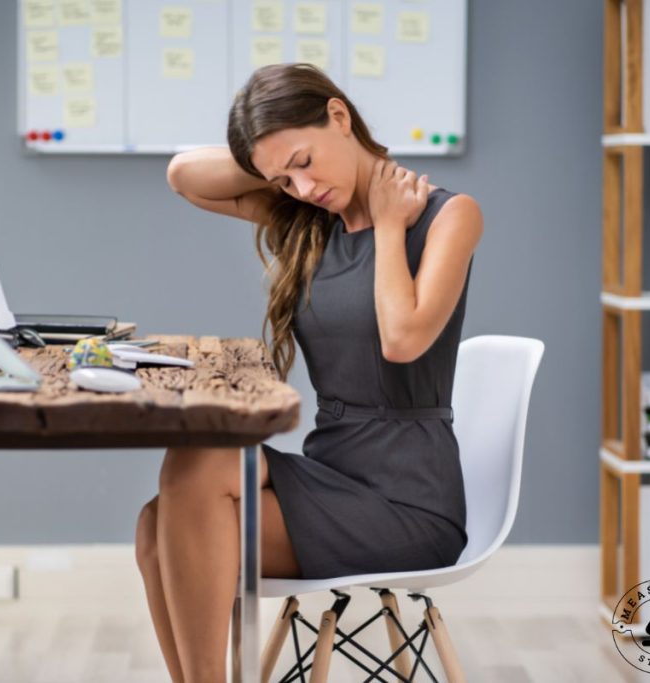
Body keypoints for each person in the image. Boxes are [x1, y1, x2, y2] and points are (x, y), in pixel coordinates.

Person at [134, 62, 483, 683]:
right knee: (165, 505)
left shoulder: (446, 216)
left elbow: (403, 339)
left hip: (409, 498)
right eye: (281, 179)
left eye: (304, 160)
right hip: (332, 471)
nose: (300, 186)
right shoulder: (308, 224)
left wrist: (389, 222)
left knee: (178, 502)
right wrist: (272, 155)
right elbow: (183, 175)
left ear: (339, 117)